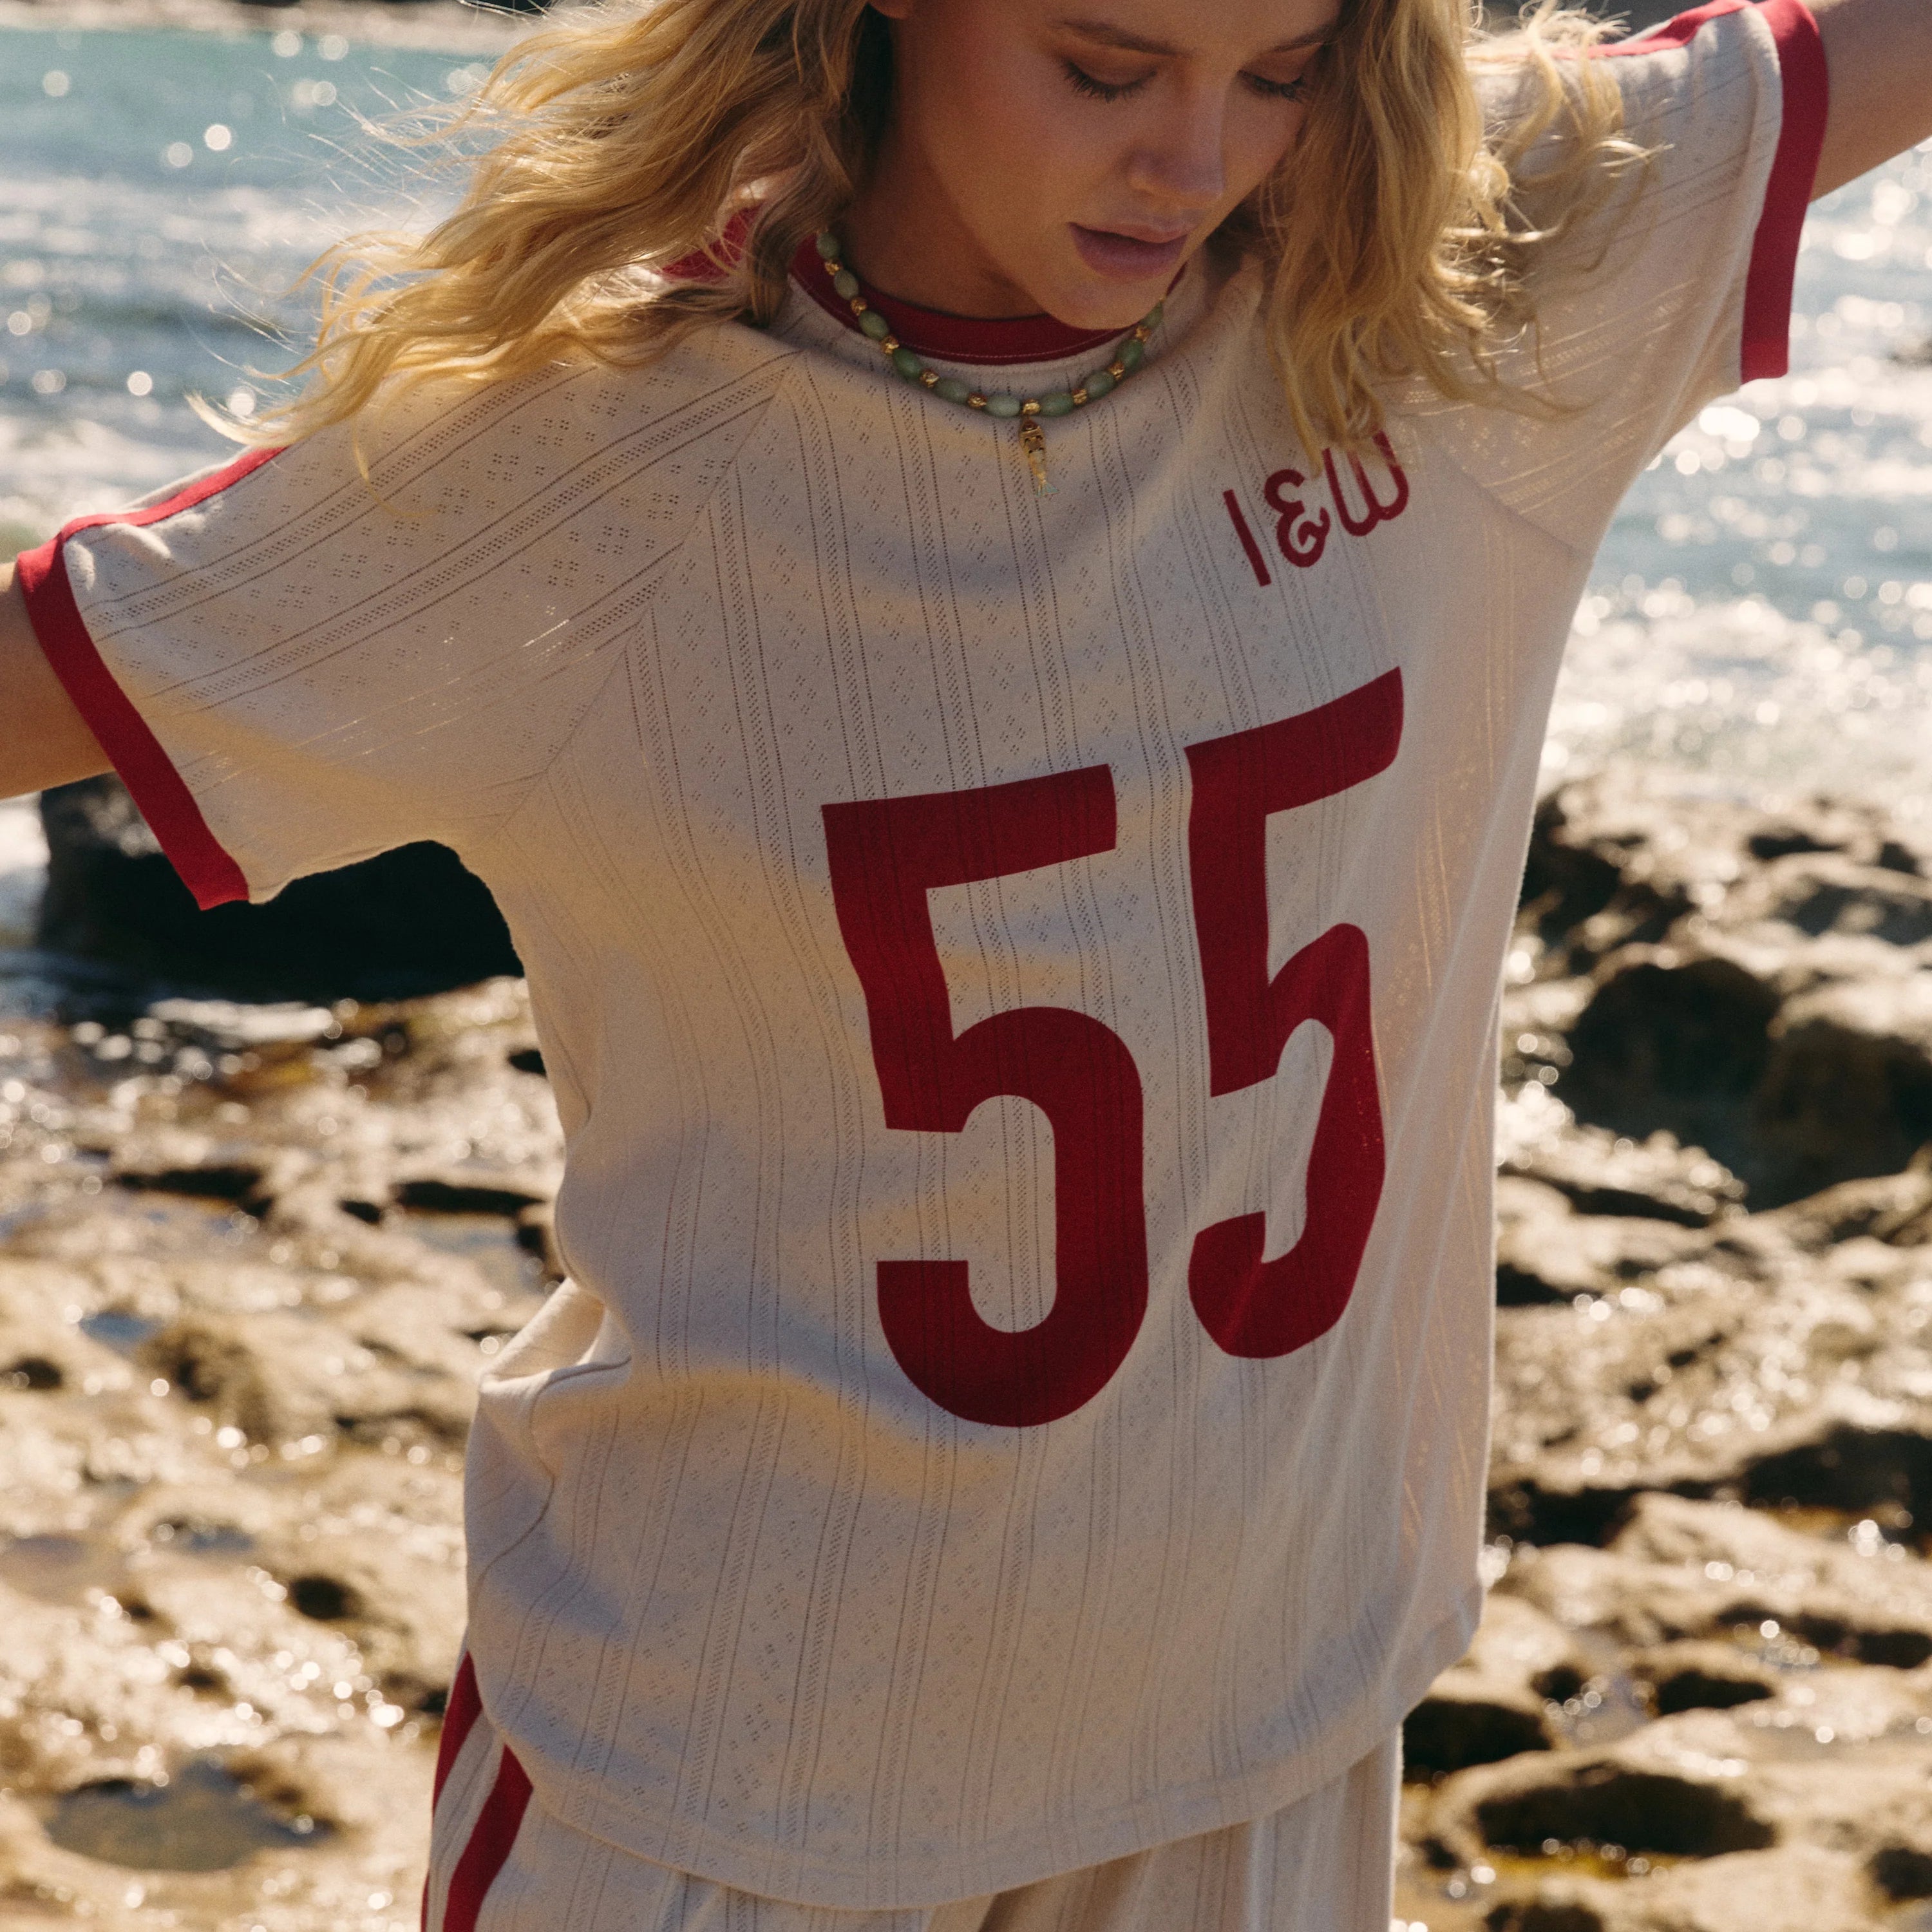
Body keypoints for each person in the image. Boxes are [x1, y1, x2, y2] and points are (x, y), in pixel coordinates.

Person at [2, 0, 1927, 1922]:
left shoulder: (1463, 270)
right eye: (1106, 68)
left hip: (1260, 1748)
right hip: (719, 1791)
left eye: (1280, 71)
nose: (1197, 163)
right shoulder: (575, 474)